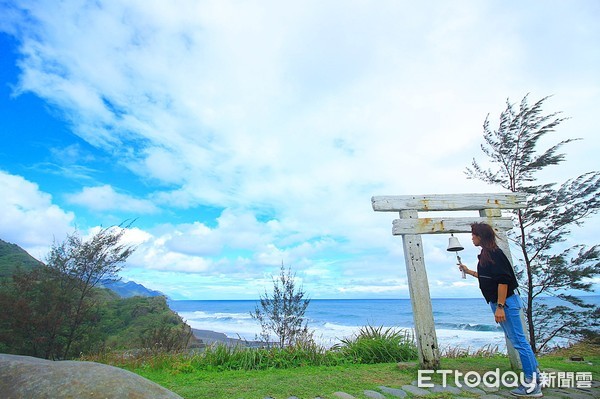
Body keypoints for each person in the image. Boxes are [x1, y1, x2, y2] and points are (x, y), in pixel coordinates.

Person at [458, 222, 542, 398]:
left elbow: (503, 281)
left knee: (519, 342)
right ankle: (536, 379)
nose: (471, 237)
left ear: (481, 236)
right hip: (501, 303)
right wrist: (469, 271)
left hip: (506, 303)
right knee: (518, 340)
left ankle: (532, 385)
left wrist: (500, 307)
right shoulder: (487, 255)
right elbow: (488, 277)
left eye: (474, 235)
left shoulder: (495, 254)